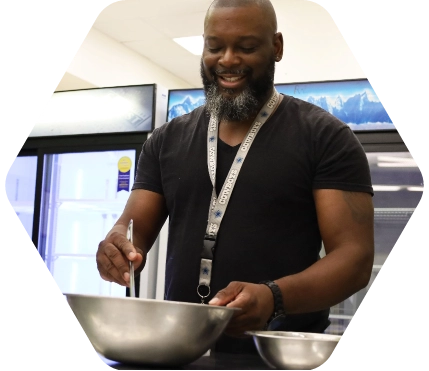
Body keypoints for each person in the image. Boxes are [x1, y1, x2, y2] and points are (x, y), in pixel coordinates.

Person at [96, 0, 375, 354]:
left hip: (277, 355)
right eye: (214, 47)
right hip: (179, 351)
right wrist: (116, 246)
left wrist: (274, 297)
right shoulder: (166, 140)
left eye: (245, 47)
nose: (227, 60)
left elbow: (355, 259)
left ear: (276, 47)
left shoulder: (325, 137)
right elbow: (131, 230)